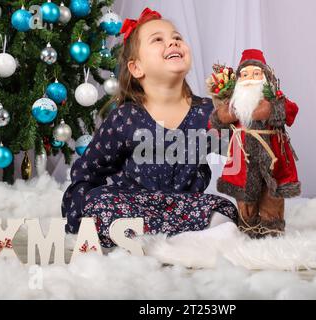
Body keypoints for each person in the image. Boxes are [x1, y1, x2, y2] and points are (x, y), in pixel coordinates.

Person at [61, 8, 238, 248]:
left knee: (225, 208)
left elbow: (240, 151)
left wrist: (243, 113)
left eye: (177, 38)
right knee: (98, 202)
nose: (173, 42)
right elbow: (89, 170)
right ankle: (175, 240)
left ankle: (179, 239)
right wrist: (80, 208)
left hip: (184, 205)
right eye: (158, 39)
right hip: (131, 204)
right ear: (136, 68)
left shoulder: (208, 112)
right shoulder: (126, 117)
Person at [209, 49, 301, 238]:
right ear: (239, 80)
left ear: (265, 77)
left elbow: (291, 111)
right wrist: (226, 114)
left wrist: (272, 109)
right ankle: (247, 227)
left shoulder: (274, 99)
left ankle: (272, 227)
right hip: (243, 160)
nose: (250, 78)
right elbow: (215, 124)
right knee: (244, 194)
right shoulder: (235, 104)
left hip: (272, 159)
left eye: (256, 73)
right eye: (245, 74)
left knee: (272, 192)